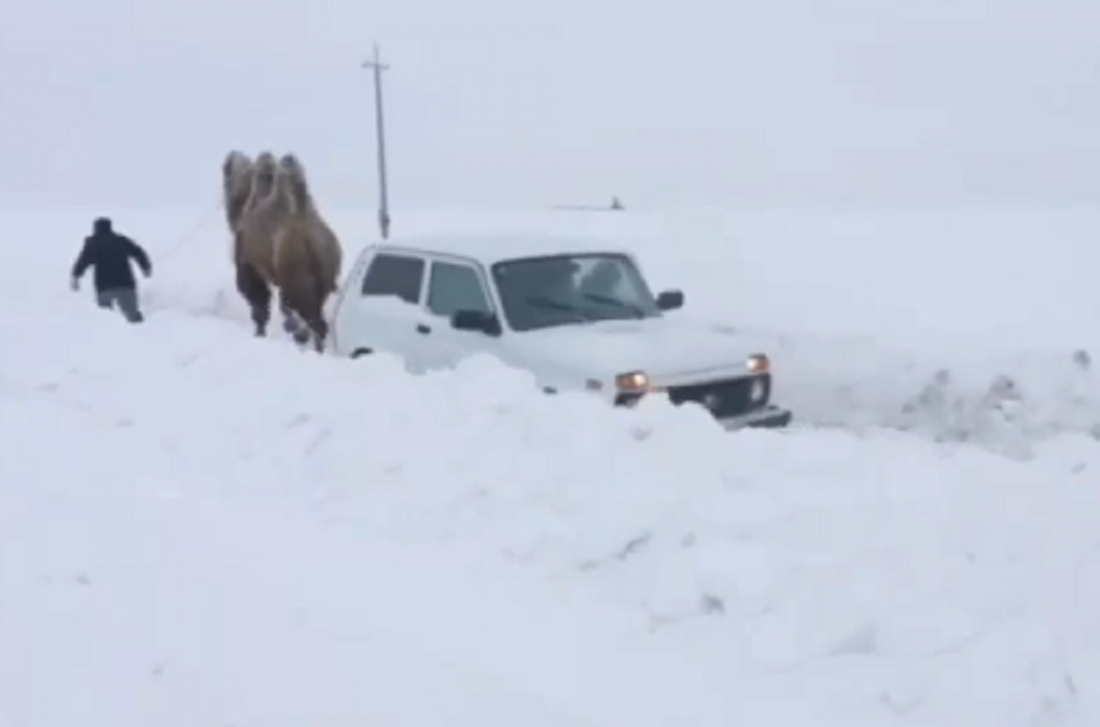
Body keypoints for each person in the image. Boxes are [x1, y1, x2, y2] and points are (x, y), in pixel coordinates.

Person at [70, 217, 153, 323]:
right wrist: (146, 268)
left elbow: (83, 261)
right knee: (133, 316)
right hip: (126, 284)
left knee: (105, 321)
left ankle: (109, 338)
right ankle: (143, 335)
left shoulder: (93, 243)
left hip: (105, 287)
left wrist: (76, 276)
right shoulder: (121, 241)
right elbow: (138, 252)